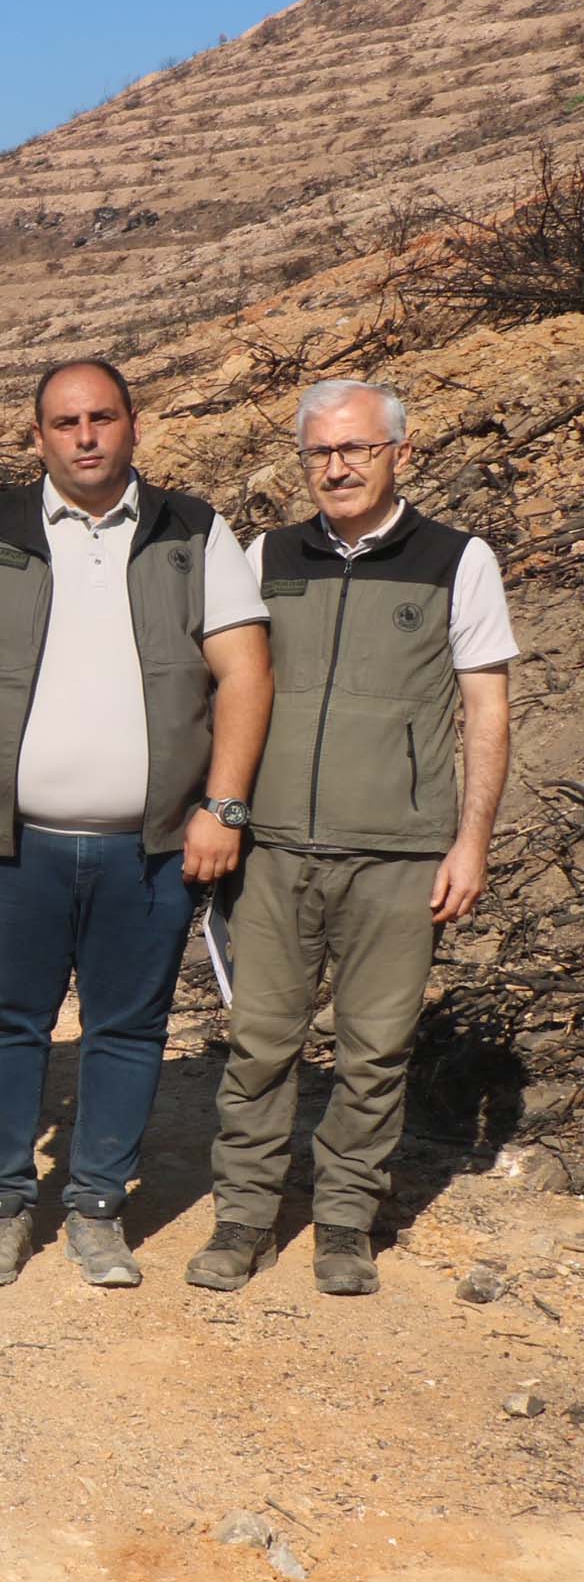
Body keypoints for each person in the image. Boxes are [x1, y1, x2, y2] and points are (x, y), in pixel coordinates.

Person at [0, 359, 272, 1288]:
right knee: (6, 1025)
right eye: (64, 422)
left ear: (133, 425)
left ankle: (98, 1209)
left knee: (127, 1028)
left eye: (101, 417)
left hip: (148, 849)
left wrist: (222, 806)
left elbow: (243, 672)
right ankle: (1, 1210)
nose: (84, 436)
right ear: (38, 437)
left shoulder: (193, 531)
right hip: (13, 844)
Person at [190, 380, 515, 1296]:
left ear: (399, 455)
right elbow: (231, 688)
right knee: (258, 1045)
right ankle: (244, 1220)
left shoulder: (458, 560)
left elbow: (487, 710)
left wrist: (470, 842)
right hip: (276, 846)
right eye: (319, 453)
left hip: (401, 855)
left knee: (375, 1053)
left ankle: (343, 1224)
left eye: (356, 450)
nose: (336, 467)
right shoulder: (269, 555)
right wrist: (221, 808)